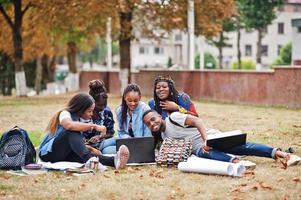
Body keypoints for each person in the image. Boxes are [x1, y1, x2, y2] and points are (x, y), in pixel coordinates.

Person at [142, 110, 301, 166]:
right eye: (148, 124)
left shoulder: (173, 117)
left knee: (244, 147)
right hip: (200, 150)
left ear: (159, 116)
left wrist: (207, 140)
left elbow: (197, 121)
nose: (152, 124)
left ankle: (282, 154)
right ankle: (237, 163)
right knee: (202, 153)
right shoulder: (163, 136)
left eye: (153, 119)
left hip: (212, 138)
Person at [38, 93, 129, 169]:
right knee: (72, 132)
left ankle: (113, 161)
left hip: (62, 153)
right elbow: (68, 125)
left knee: (81, 155)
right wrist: (94, 126)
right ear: (81, 109)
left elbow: (74, 143)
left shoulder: (78, 120)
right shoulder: (65, 113)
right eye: (89, 111)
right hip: (48, 154)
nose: (91, 114)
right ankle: (88, 159)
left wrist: (90, 148)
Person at [86, 79, 116, 154]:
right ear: (92, 101)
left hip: (103, 143)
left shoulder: (107, 112)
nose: (102, 107)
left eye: (104, 105)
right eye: (99, 105)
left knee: (116, 142)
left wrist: (99, 137)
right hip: (86, 145)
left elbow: (110, 132)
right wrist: (88, 140)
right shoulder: (84, 112)